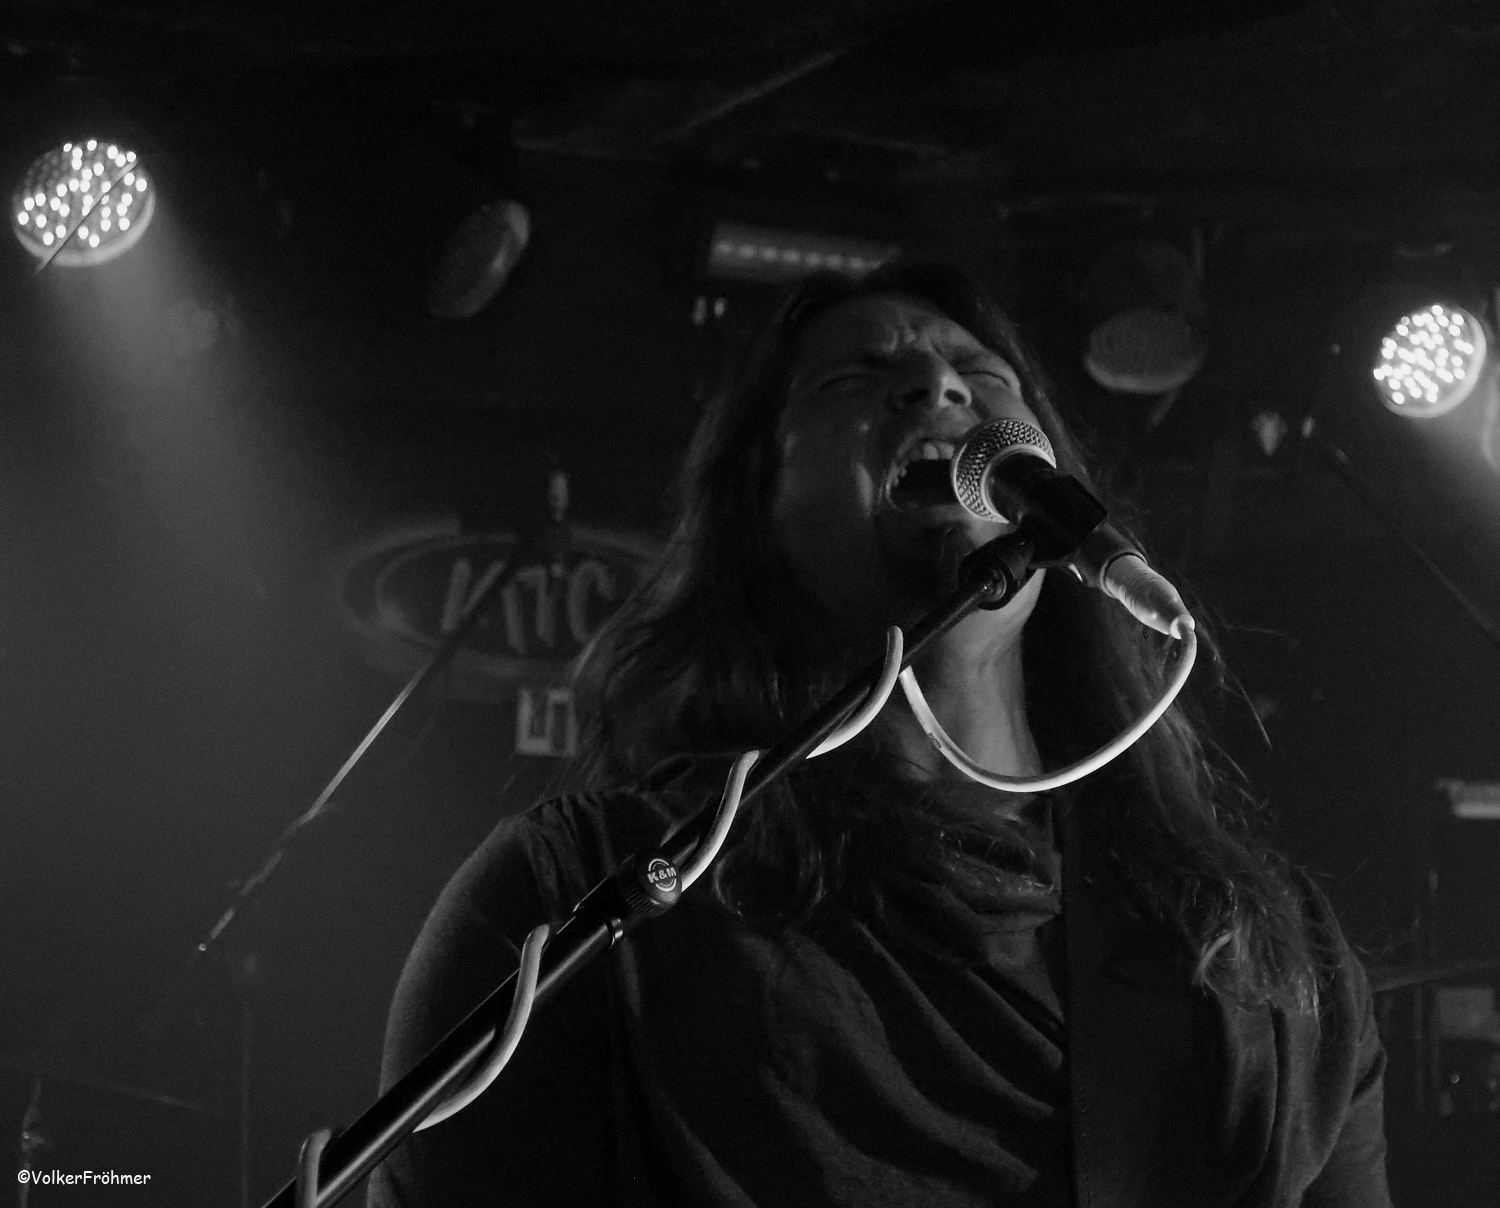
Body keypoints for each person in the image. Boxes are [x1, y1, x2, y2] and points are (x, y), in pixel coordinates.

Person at [368, 261, 1390, 1207]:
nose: (938, 386)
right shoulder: (576, 904)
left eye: (983, 374)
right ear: (758, 502)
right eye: (856, 378)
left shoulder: (1263, 953)